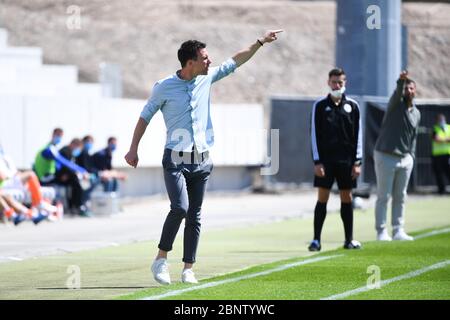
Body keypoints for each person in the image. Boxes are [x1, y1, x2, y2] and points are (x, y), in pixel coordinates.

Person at [125, 30, 283, 285]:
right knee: (180, 208)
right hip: (175, 159)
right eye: (205, 58)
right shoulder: (164, 87)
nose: (210, 62)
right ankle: (161, 259)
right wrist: (133, 149)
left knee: (195, 216)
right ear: (190, 62)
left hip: (201, 160)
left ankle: (188, 268)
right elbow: (145, 116)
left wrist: (260, 42)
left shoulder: (206, 78)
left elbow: (236, 61)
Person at [308, 68, 363, 252]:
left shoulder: (353, 106)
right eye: (334, 82)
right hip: (326, 163)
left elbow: (358, 136)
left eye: (340, 82)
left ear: (345, 83)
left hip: (347, 163)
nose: (337, 85)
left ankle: (349, 240)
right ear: (328, 83)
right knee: (322, 198)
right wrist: (317, 161)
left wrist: (357, 162)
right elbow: (314, 135)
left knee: (346, 198)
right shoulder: (320, 106)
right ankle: (316, 240)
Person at [374, 70, 421, 241]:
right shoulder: (395, 105)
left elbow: (413, 137)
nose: (408, 91)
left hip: (405, 159)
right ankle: (381, 231)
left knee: (401, 196)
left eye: (411, 88)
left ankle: (398, 230)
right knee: (383, 196)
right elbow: (397, 93)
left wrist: (412, 156)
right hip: (386, 155)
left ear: (415, 91)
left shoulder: (416, 113)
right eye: (406, 88)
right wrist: (401, 81)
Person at [34, 129, 90, 216]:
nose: (59, 138)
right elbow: (64, 162)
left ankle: (74, 206)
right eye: (58, 135)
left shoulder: (52, 148)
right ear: (52, 135)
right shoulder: (49, 149)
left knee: (74, 180)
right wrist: (82, 171)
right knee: (74, 180)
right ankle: (70, 207)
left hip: (48, 176)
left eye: (61, 136)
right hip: (46, 177)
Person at [0, 143, 60, 223]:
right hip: (5, 183)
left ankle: (35, 214)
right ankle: (38, 205)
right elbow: (3, 177)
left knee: (27, 187)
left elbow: (14, 172)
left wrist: (16, 174)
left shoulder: (5, 158)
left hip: (10, 181)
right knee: (30, 175)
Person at [58, 138, 92, 216]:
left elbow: (74, 166)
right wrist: (75, 173)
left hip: (68, 175)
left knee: (82, 183)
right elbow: (65, 165)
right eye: (78, 148)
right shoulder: (65, 151)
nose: (78, 151)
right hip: (60, 176)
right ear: (73, 145)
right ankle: (75, 206)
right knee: (77, 184)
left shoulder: (71, 153)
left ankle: (79, 205)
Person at [431, 114, 450, 195]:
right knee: (439, 173)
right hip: (437, 155)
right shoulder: (435, 128)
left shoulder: (449, 127)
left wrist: (442, 139)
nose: (441, 121)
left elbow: (440, 139)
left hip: (447, 155)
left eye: (442, 119)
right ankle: (441, 190)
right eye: (440, 120)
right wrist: (446, 139)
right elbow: (436, 139)